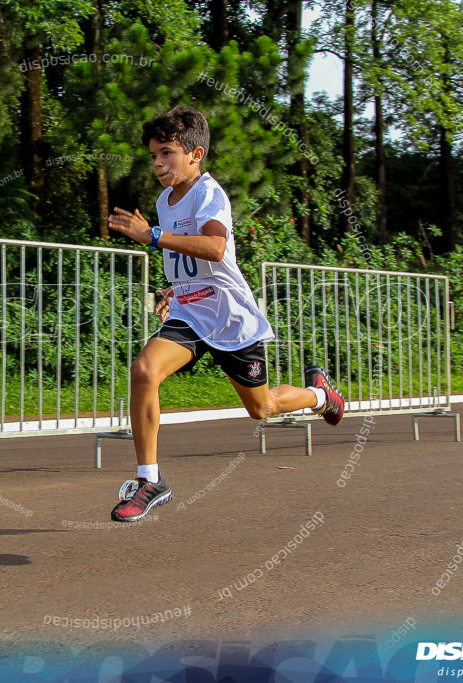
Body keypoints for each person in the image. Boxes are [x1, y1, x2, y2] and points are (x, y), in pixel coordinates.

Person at [106, 106, 344, 523]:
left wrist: (154, 237)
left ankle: (323, 395)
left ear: (195, 155)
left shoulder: (209, 192)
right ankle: (150, 480)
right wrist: (174, 286)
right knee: (144, 371)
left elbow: (214, 248)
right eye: (153, 157)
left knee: (263, 408)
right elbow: (187, 253)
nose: (158, 164)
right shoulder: (165, 199)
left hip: (230, 317)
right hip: (189, 312)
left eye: (166, 153)